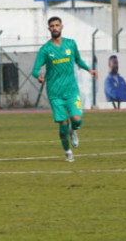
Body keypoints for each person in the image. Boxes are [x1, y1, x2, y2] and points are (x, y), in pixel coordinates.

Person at [32, 16, 98, 162]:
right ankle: (67, 151)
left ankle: (74, 131)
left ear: (62, 27)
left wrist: (89, 70)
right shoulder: (45, 50)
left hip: (71, 91)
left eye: (57, 25)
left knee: (77, 120)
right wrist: (39, 76)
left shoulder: (71, 44)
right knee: (62, 126)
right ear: (49, 29)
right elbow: (35, 69)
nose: (55, 28)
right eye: (52, 26)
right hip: (55, 94)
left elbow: (78, 60)